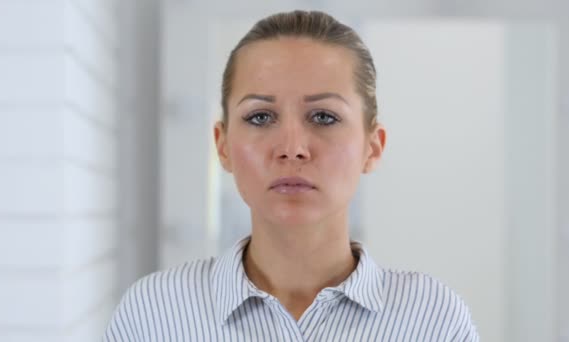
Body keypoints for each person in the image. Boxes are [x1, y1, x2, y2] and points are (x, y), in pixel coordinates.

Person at [104, 10, 479, 341]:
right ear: (222, 145)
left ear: (373, 146)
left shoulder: (434, 321)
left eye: (323, 117)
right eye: (260, 117)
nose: (292, 147)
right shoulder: (153, 315)